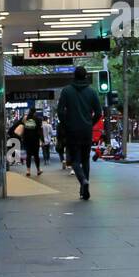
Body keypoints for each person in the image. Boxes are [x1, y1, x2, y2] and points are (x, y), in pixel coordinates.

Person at [57, 66, 102, 200]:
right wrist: (90, 123)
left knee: (74, 160)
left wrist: (66, 124)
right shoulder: (92, 92)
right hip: (86, 131)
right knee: (85, 159)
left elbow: (60, 111)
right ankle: (85, 190)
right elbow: (98, 113)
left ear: (74, 76)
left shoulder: (66, 91)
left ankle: (82, 180)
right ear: (86, 76)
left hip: (72, 131)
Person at [21, 110, 43, 177]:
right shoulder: (37, 119)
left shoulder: (25, 119)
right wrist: (42, 140)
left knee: (28, 155)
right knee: (36, 155)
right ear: (34, 113)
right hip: (35, 140)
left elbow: (23, 128)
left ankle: (28, 170)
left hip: (27, 140)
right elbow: (39, 130)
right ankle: (38, 170)